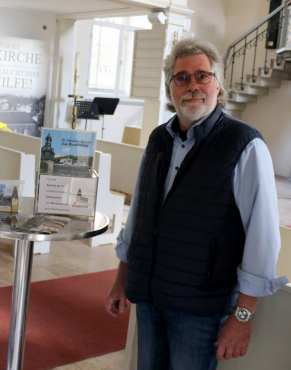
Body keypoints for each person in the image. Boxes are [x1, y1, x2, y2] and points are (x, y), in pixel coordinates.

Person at [105, 37, 288, 370]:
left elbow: (263, 241)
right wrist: (122, 279)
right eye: (182, 78)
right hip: (149, 299)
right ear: (171, 89)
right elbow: (140, 220)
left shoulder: (244, 144)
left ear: (218, 85)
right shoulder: (159, 139)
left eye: (202, 76)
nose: (192, 86)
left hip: (200, 309)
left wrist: (243, 317)